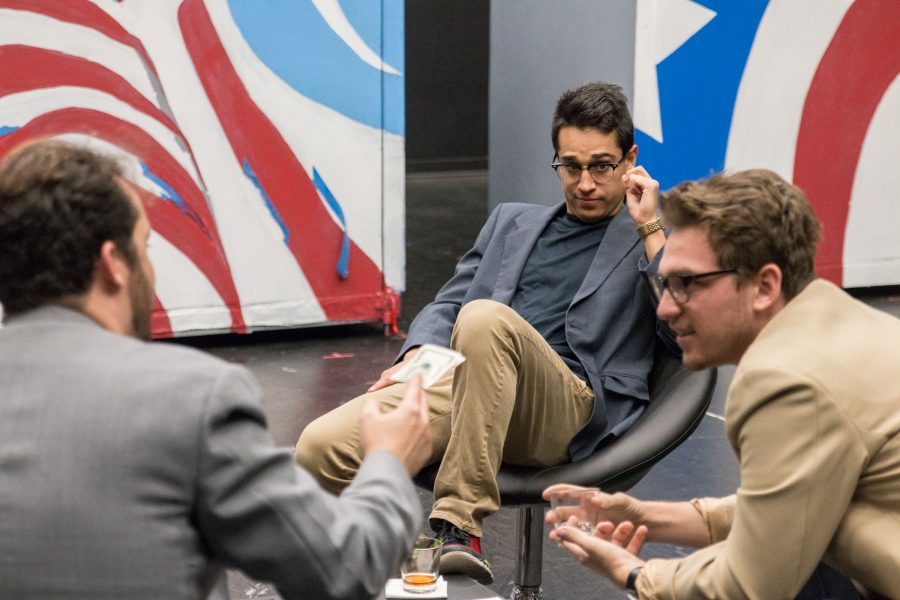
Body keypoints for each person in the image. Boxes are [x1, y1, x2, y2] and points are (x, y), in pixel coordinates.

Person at [0, 139, 433, 600]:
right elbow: (345, 567)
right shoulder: (190, 398)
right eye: (144, 246)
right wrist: (388, 460)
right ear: (113, 266)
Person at [295, 82, 675, 583]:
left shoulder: (652, 235)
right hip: (474, 385)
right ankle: (410, 555)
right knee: (317, 448)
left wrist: (650, 227)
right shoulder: (511, 222)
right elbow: (450, 301)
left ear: (631, 160)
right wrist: (415, 354)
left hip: (567, 405)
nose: (585, 182)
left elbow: (681, 327)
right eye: (570, 166)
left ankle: (458, 526)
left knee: (484, 318)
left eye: (602, 166)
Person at [545, 169, 900, 599]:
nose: (665, 309)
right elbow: (785, 509)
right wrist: (645, 516)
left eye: (685, 284)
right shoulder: (838, 317)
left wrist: (637, 576)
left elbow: (752, 585)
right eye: (665, 283)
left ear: (764, 286)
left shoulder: (785, 380)